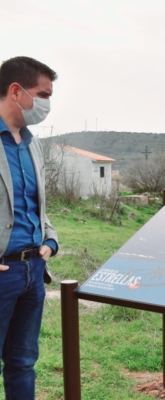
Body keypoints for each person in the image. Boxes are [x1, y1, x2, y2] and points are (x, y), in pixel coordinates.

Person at [0, 56, 59, 400]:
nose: (47, 104)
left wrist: (50, 238)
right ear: (16, 91)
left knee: (23, 362)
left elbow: (38, 206)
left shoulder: (33, 144)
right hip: (3, 270)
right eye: (44, 95)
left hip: (33, 271)